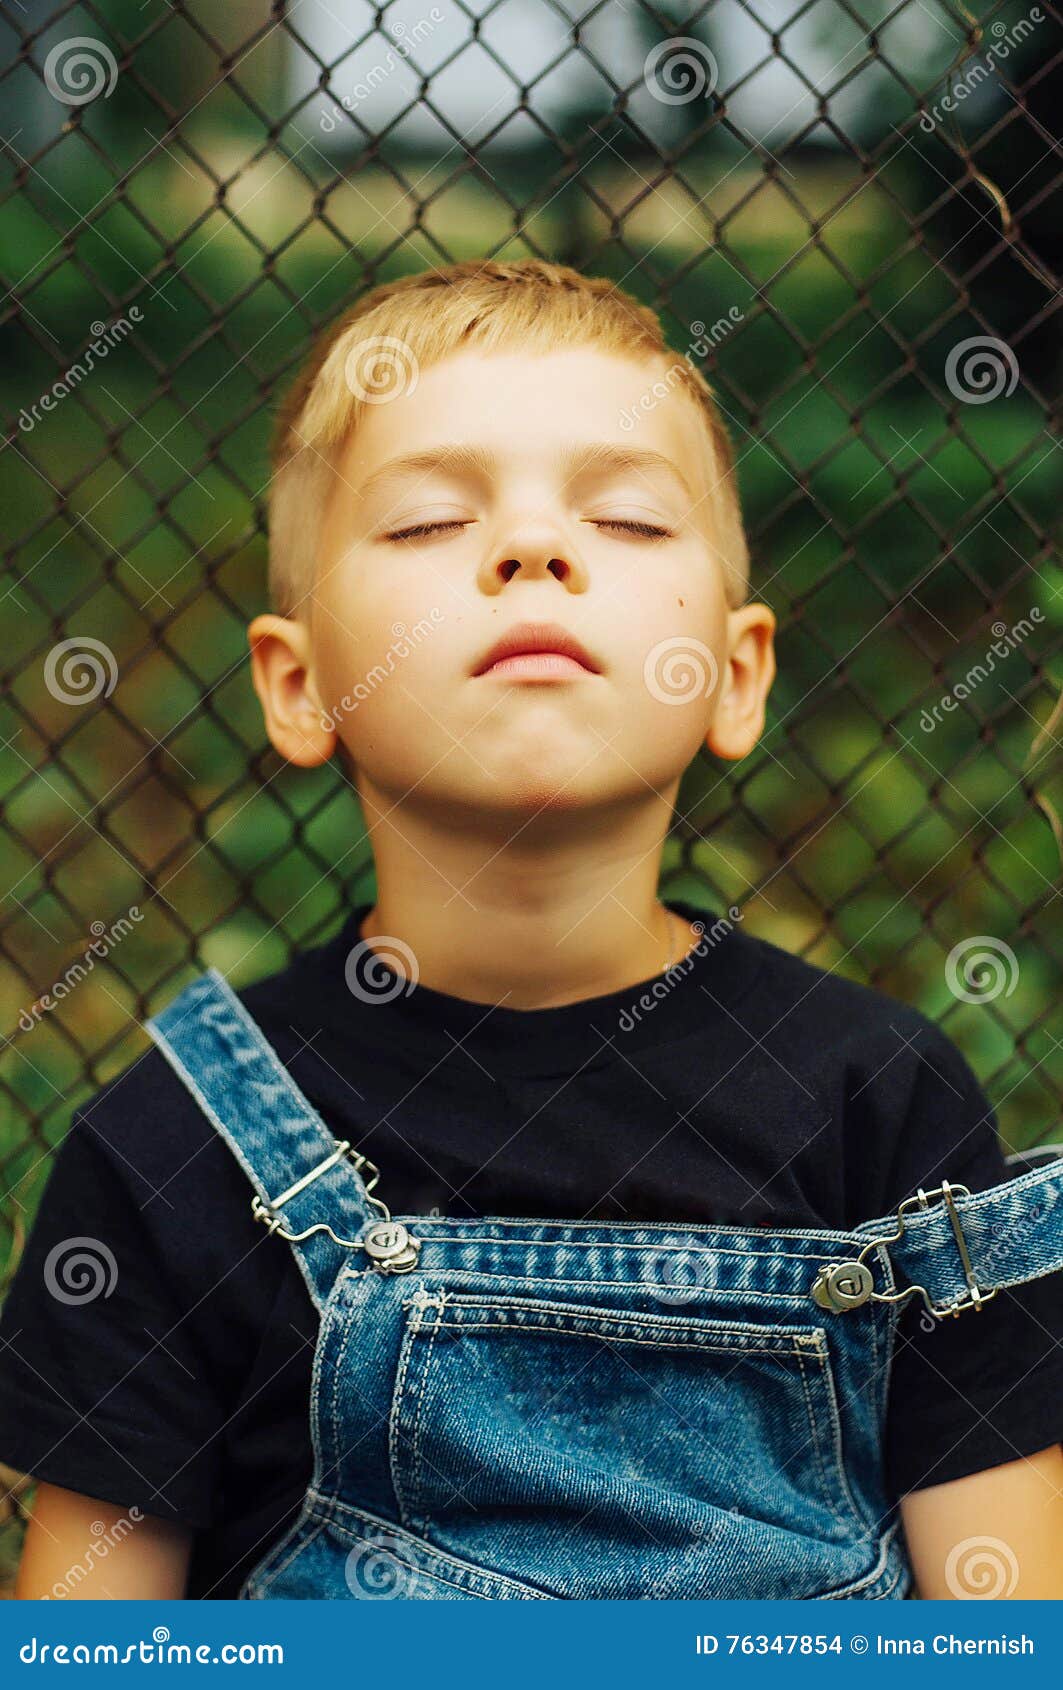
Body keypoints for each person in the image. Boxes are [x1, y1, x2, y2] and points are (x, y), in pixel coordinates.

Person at [3, 259, 1062, 1601]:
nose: (534, 549)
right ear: (299, 682)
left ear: (734, 677)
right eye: (430, 521)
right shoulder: (176, 1147)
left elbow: (1006, 1635)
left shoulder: (888, 1111)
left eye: (622, 518)